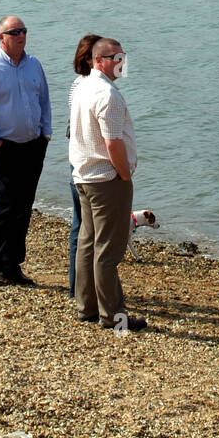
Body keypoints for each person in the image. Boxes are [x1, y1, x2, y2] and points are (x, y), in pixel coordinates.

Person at [69, 37, 147, 332]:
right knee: (108, 250)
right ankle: (113, 316)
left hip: (84, 175)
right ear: (99, 60)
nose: (122, 63)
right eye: (116, 58)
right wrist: (124, 174)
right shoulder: (107, 95)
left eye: (123, 57)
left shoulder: (83, 86)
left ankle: (86, 306)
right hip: (106, 179)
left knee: (88, 243)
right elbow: (112, 142)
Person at [0, 15, 51, 287]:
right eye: (14, 32)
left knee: (24, 208)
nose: (20, 35)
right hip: (6, 147)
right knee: (5, 207)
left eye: (23, 31)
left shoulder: (34, 65)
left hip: (34, 146)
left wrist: (46, 133)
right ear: (1, 37)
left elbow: (44, 100)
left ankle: (12, 266)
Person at [67, 33, 101, 299]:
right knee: (86, 229)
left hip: (77, 163)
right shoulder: (90, 87)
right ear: (90, 59)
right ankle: (83, 289)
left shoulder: (79, 85)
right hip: (88, 168)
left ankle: (78, 288)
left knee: (81, 227)